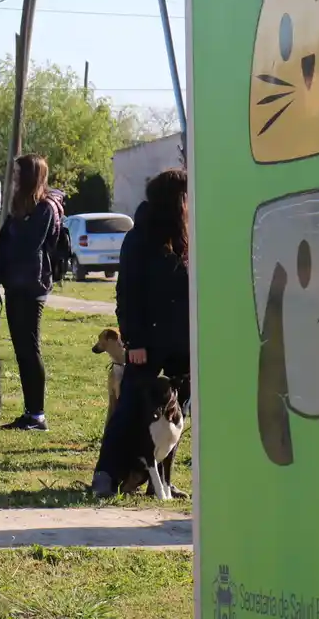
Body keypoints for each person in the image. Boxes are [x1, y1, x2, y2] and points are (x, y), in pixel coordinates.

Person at [92, 168, 191, 498]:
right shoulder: (140, 238)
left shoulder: (184, 236)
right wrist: (134, 340)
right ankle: (106, 474)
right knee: (130, 407)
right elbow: (128, 294)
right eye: (187, 197)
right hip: (147, 341)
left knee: (176, 413)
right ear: (176, 199)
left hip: (181, 343)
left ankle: (161, 480)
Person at [0, 154, 62, 431]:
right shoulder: (18, 206)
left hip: (32, 287)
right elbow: (3, 246)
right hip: (14, 285)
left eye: (19, 173)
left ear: (31, 176)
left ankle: (37, 415)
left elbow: (28, 247)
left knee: (30, 349)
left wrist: (8, 254)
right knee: (21, 349)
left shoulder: (45, 208)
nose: (15, 178)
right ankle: (30, 412)